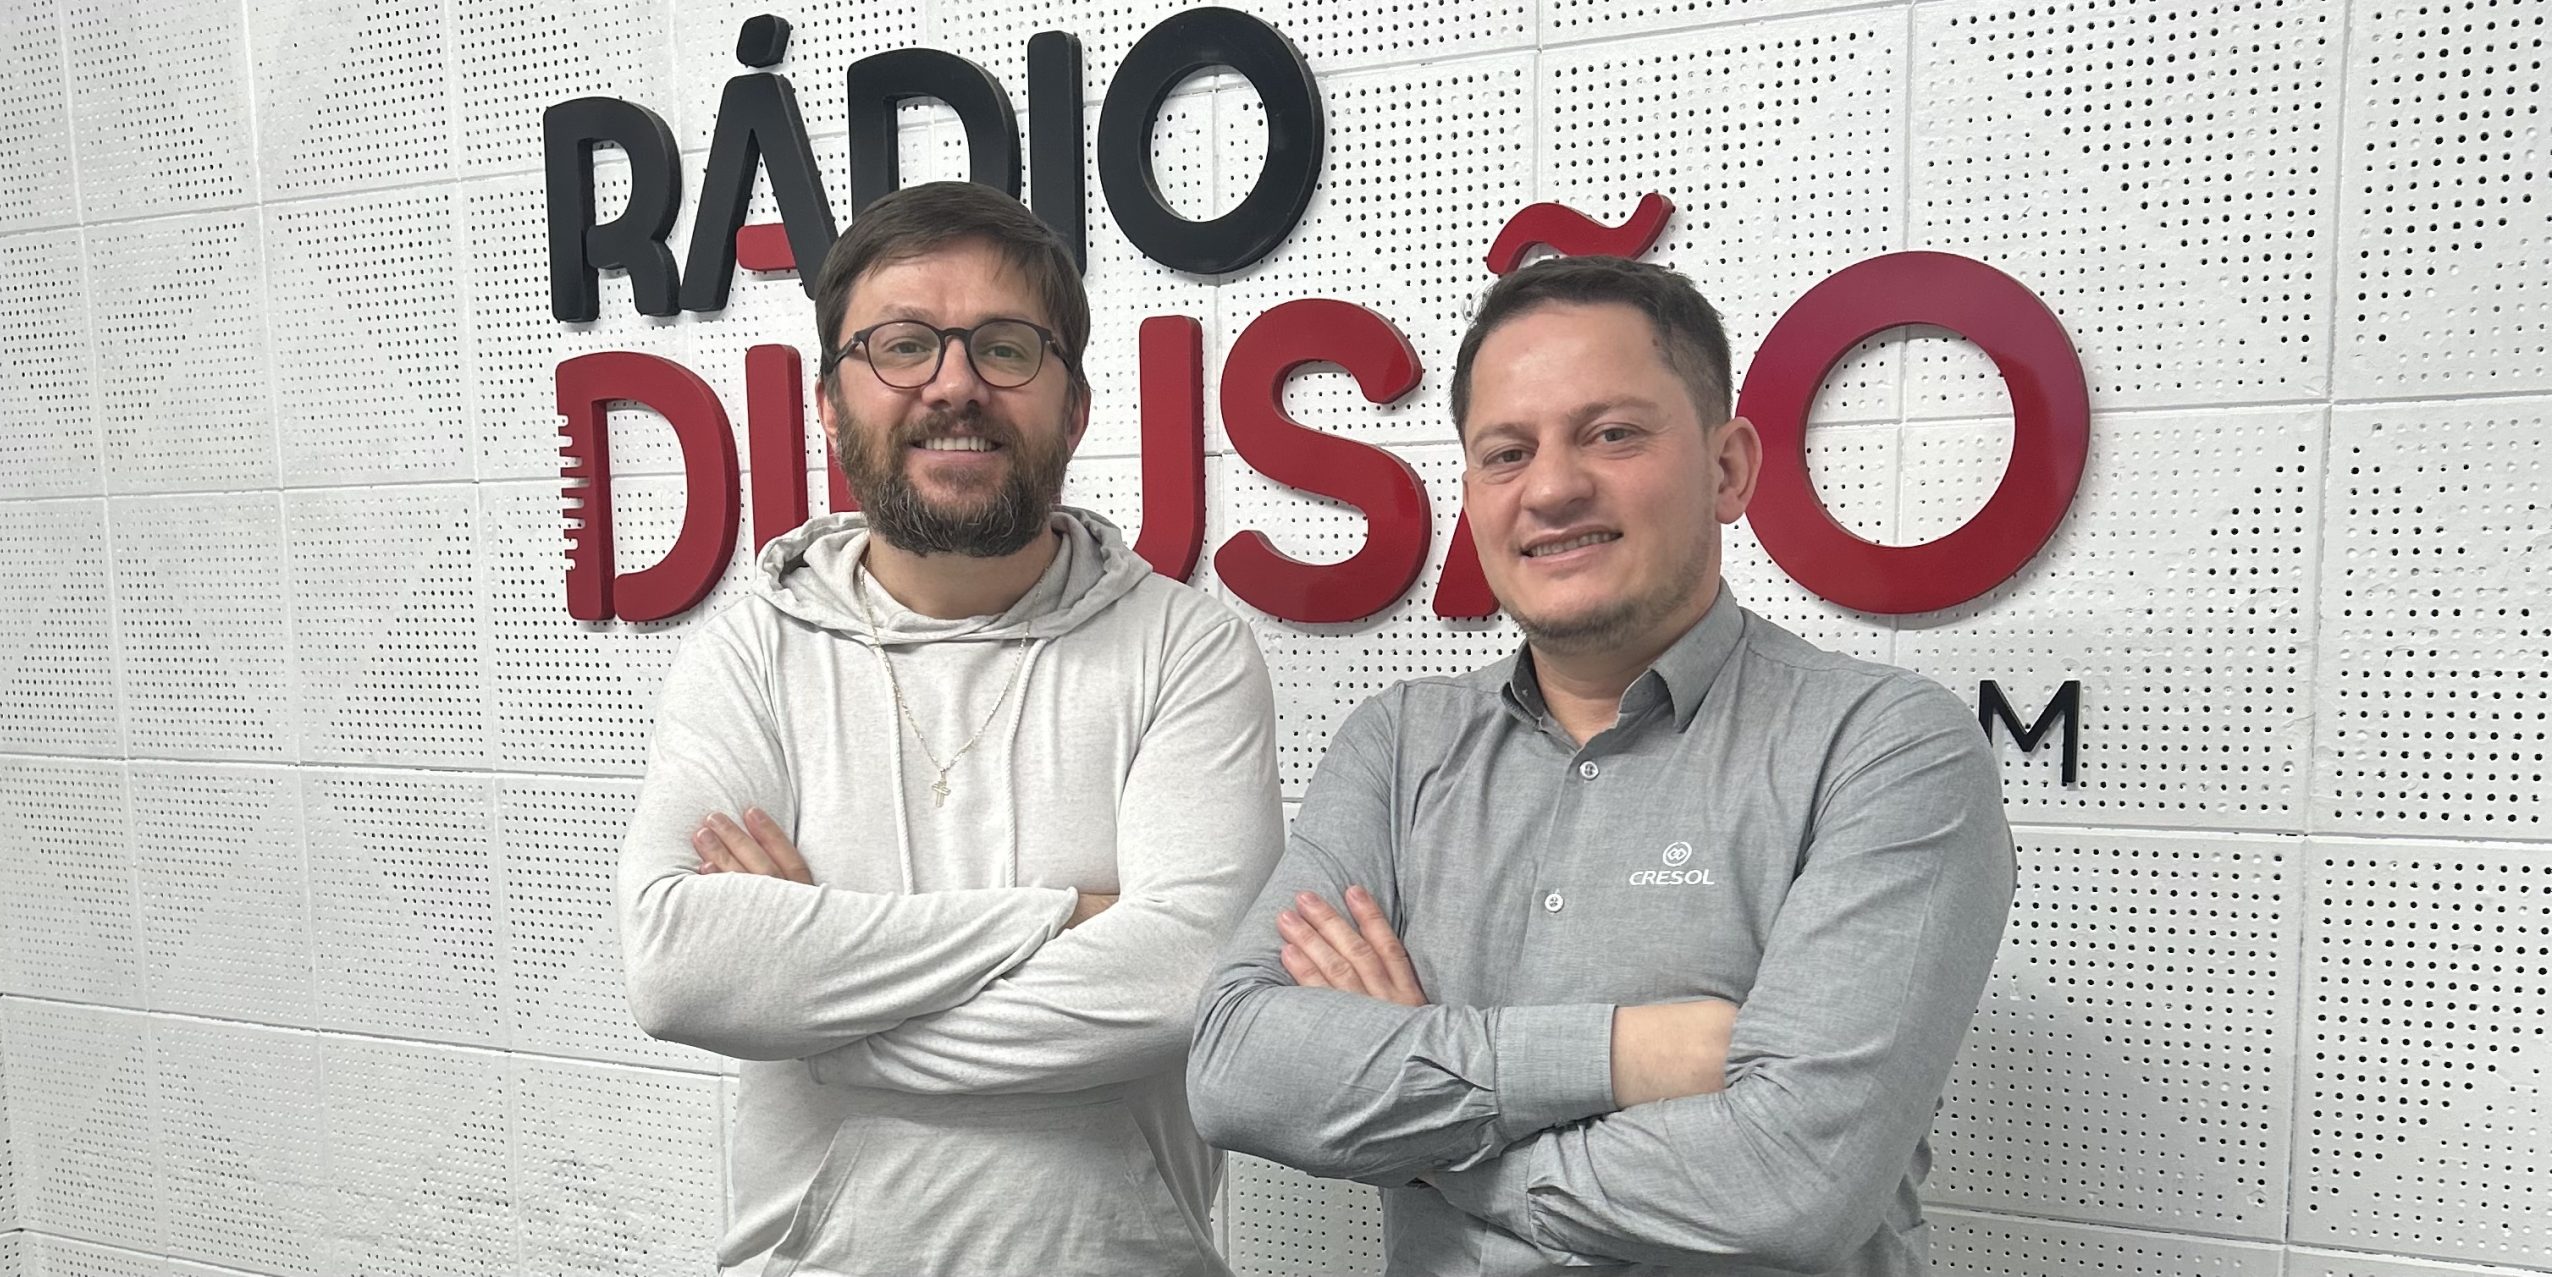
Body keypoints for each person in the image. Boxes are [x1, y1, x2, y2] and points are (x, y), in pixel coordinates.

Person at [1187, 254, 2015, 1276]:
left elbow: (1793, 1180)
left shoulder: (1885, 746)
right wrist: (1628, 1054)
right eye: (1506, 452)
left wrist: (1421, 1125)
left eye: (1612, 433)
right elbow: (1235, 1065)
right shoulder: (1398, 745)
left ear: (1727, 469)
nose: (1552, 488)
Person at [618, 180, 1283, 1277]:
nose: (955, 384)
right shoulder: (751, 652)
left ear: (1076, 407)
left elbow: (1189, 974)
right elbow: (680, 969)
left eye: (1006, 348)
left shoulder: (1186, 647)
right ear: (828, 405)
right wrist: (1060, 915)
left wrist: (824, 1016)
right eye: (902, 346)